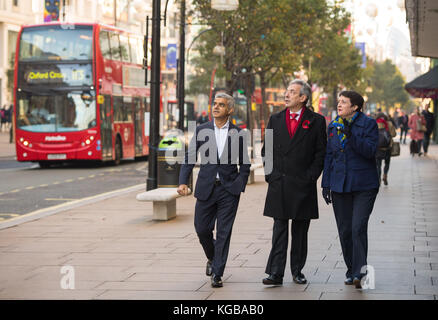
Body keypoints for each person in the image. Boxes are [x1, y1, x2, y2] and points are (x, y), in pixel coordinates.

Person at [177, 92, 250, 288]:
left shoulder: (239, 134)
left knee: (224, 233)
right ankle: (212, 258)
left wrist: (239, 184)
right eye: (214, 104)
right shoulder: (202, 130)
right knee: (202, 229)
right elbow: (189, 158)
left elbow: (245, 164)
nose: (216, 107)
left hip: (229, 191)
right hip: (206, 188)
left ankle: (217, 273)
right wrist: (183, 181)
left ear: (230, 110)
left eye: (221, 105)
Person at [261, 79, 327, 286]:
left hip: (303, 184)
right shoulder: (276, 119)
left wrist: (310, 178)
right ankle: (275, 273)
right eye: (286, 91)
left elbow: (320, 153)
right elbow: (267, 150)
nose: (286, 95)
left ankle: (297, 271)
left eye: (292, 92)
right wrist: (271, 176)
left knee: (300, 231)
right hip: (279, 183)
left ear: (303, 97)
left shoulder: (316, 121)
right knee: (279, 229)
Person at [321, 90, 379, 289]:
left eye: (344, 102)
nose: (339, 105)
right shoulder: (334, 125)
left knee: (357, 228)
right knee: (345, 230)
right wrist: (325, 183)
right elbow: (329, 156)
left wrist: (351, 135)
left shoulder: (369, 124)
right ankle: (351, 270)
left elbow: (371, 151)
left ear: (355, 107)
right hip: (340, 184)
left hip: (364, 185)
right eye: (339, 102)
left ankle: (360, 274)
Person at [375, 112, 397, 185]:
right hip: (387, 147)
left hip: (378, 148)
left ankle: (378, 179)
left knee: (378, 164)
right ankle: (385, 175)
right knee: (387, 163)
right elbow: (394, 134)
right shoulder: (389, 123)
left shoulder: (374, 123)